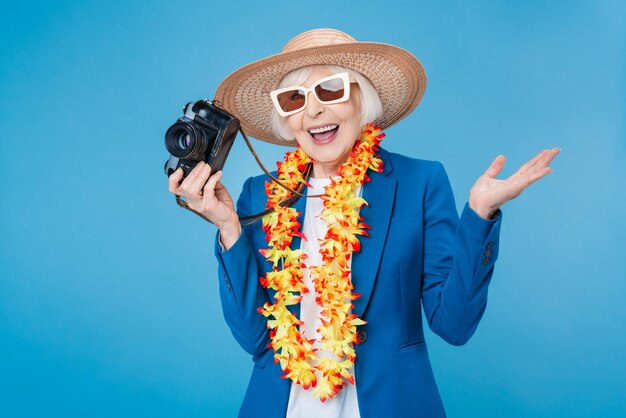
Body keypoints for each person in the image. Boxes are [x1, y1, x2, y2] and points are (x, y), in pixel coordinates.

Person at [167, 28, 559, 418]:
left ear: (362, 98)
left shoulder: (419, 183)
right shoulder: (260, 195)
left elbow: (454, 325)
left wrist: (479, 215)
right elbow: (255, 340)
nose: (313, 110)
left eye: (330, 90)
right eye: (294, 99)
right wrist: (229, 229)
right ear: (286, 118)